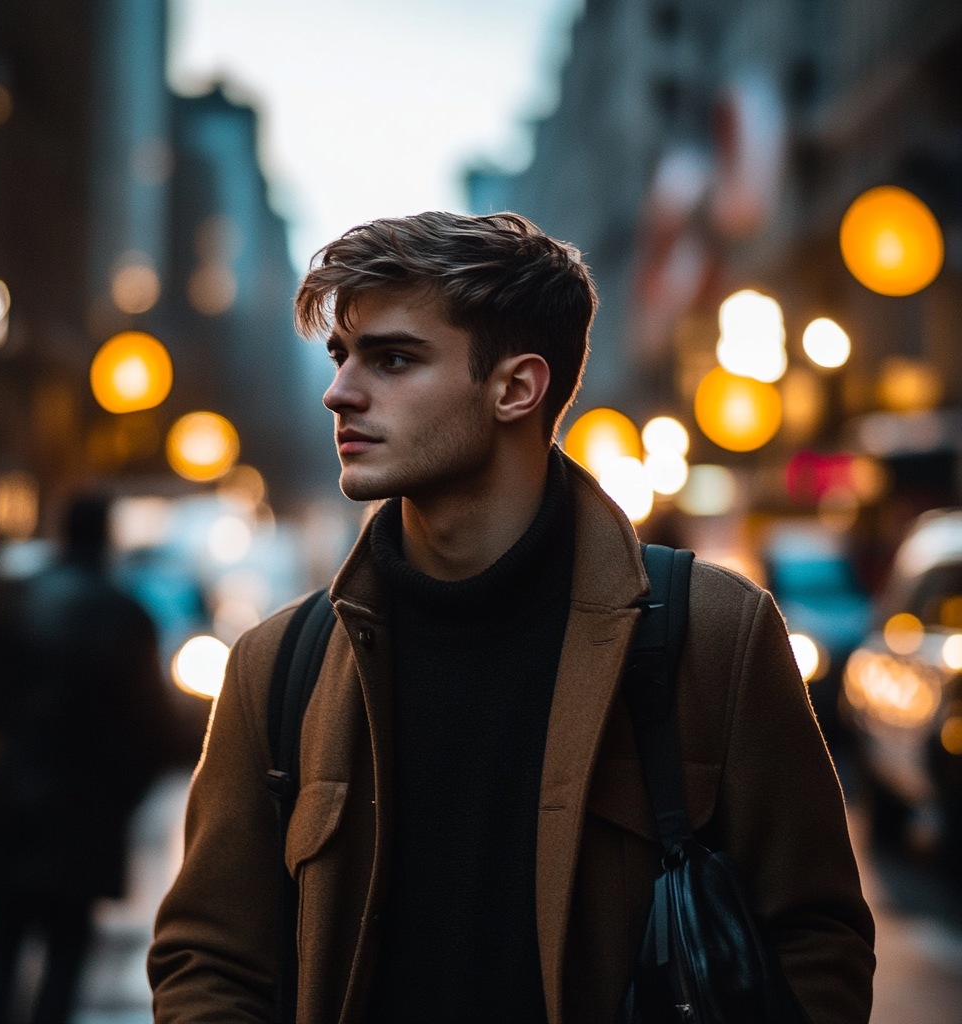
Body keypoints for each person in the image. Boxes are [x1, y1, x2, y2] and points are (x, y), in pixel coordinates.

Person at [148, 212, 875, 1024]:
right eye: (341, 356)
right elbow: (207, 961)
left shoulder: (712, 636)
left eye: (392, 359)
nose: (340, 391)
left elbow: (816, 941)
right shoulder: (279, 666)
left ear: (516, 388)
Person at [0, 495, 171, 1024]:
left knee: (3, 937)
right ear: (107, 536)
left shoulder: (3, 601)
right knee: (66, 952)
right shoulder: (126, 616)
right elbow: (152, 731)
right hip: (85, 812)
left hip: (11, 800)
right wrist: (121, 796)